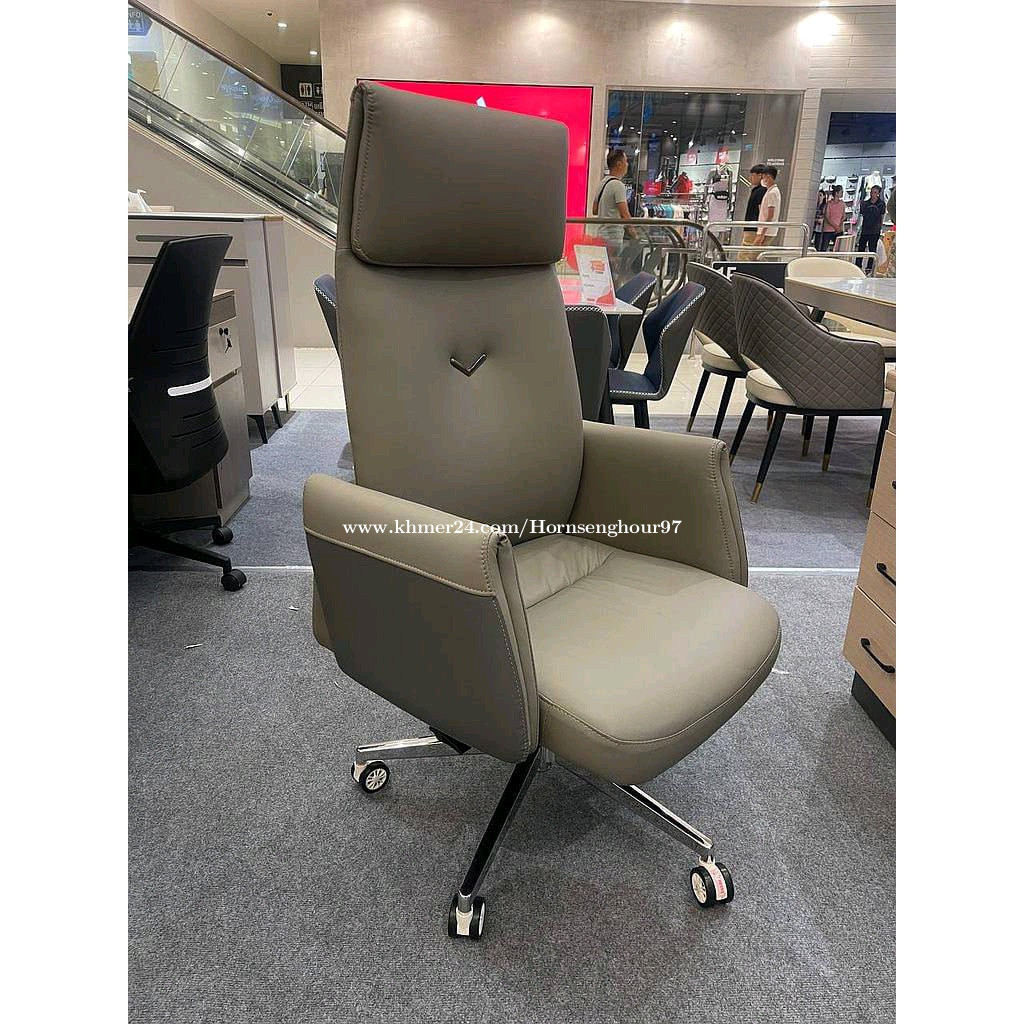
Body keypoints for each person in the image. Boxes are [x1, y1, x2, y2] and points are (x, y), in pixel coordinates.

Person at [592, 149, 636, 278]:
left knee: (604, 272)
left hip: (601, 234)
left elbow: (594, 210)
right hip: (613, 237)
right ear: (619, 164)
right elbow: (625, 213)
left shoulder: (602, 183)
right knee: (614, 273)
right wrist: (634, 233)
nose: (627, 164)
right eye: (626, 161)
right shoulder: (618, 185)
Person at [738, 164, 766, 260]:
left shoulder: (761, 191)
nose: (750, 178)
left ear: (760, 175)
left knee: (744, 255)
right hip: (751, 227)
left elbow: (762, 211)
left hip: (754, 228)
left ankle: (742, 269)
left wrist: (761, 231)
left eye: (753, 175)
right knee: (749, 254)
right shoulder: (757, 190)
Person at [751, 165, 781, 253]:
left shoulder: (772, 193)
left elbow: (770, 215)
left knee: (754, 254)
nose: (763, 180)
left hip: (766, 231)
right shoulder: (772, 191)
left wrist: (762, 233)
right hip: (766, 230)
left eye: (763, 177)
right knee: (757, 254)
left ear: (768, 177)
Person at [857, 184, 885, 270]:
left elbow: (881, 215)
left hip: (875, 230)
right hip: (865, 229)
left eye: (875, 192)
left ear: (878, 193)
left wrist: (879, 227)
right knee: (861, 248)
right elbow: (863, 213)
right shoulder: (865, 203)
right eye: (872, 192)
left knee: (872, 249)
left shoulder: (881, 204)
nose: (872, 194)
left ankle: (869, 268)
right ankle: (858, 265)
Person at [820, 184, 846, 251]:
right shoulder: (829, 204)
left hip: (839, 230)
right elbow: (827, 217)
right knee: (824, 248)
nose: (842, 193)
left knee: (838, 249)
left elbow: (843, 216)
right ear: (836, 193)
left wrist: (839, 226)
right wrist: (836, 226)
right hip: (828, 229)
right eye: (841, 192)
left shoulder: (842, 204)